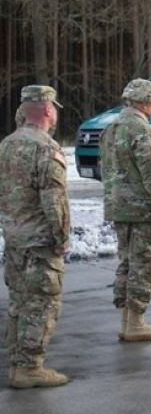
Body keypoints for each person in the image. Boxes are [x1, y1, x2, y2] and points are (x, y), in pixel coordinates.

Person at [0, 85, 70, 388]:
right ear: (47, 110)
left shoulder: (7, 144)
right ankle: (29, 367)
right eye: (54, 108)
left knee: (19, 301)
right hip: (39, 240)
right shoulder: (45, 147)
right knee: (42, 302)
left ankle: (17, 360)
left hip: (15, 236)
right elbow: (54, 200)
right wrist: (62, 237)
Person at [99, 79, 151, 342]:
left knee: (127, 262)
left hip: (117, 207)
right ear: (142, 102)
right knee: (145, 264)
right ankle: (136, 323)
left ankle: (126, 319)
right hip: (141, 210)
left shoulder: (110, 129)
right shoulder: (143, 131)